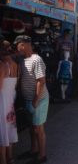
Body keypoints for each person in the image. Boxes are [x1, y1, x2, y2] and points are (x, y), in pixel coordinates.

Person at [15, 35, 49, 164]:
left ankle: (42, 155)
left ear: (23, 44)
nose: (16, 48)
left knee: (38, 128)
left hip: (39, 99)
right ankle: (33, 150)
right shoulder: (23, 59)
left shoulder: (36, 59)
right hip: (29, 99)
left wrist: (36, 99)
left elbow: (41, 81)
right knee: (31, 127)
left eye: (17, 45)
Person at [0, 39, 18, 164]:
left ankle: (3, 160)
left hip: (2, 102)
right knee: (9, 130)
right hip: (11, 101)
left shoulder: (1, 66)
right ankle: (10, 158)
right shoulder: (16, 65)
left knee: (2, 132)